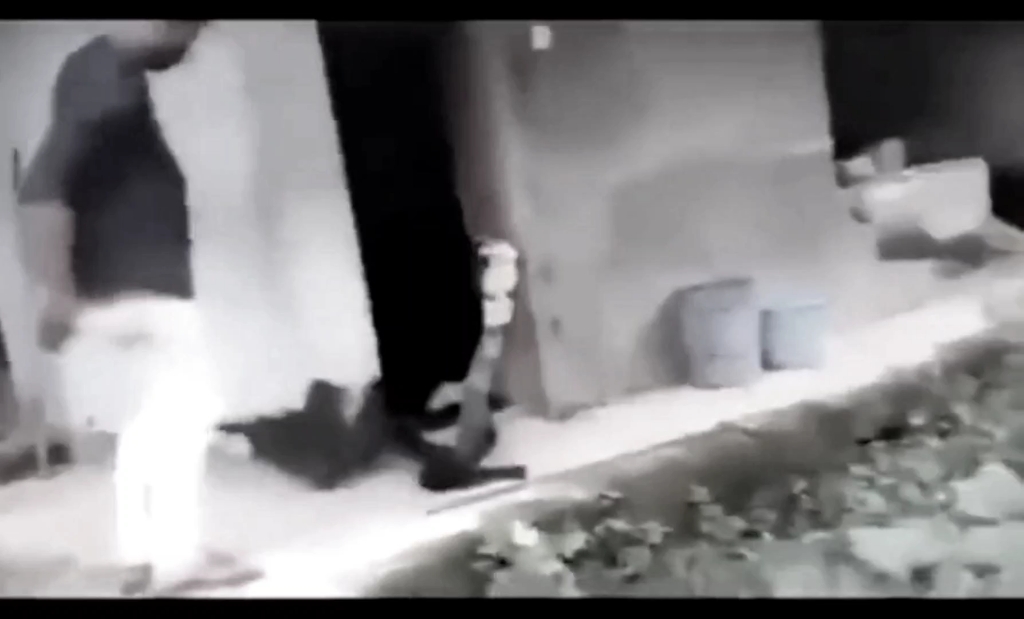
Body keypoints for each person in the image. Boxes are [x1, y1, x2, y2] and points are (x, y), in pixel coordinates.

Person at [16, 20, 227, 593]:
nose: (189, 50)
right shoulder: (106, 78)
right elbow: (41, 186)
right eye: (191, 34)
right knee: (191, 410)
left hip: (130, 284)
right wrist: (57, 294)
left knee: (151, 415)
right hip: (141, 287)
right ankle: (177, 562)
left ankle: (143, 552)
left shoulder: (105, 72)